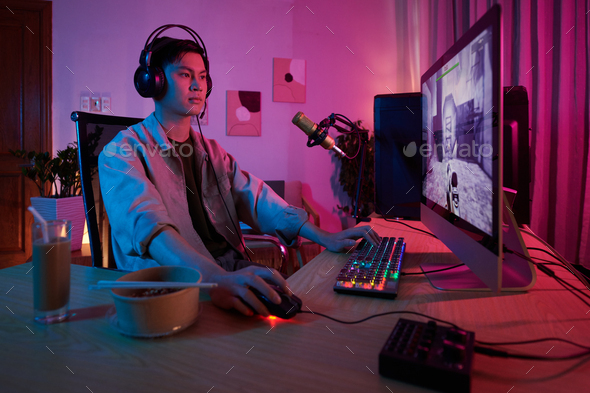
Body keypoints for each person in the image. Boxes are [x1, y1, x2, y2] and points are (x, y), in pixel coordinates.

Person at [98, 25, 380, 318]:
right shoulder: (120, 154)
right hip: (174, 290)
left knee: (328, 309)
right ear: (152, 81)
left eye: (203, 77)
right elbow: (152, 230)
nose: (197, 85)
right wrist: (215, 279)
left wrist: (326, 237)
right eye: (185, 74)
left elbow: (256, 198)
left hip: (227, 273)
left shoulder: (212, 152)